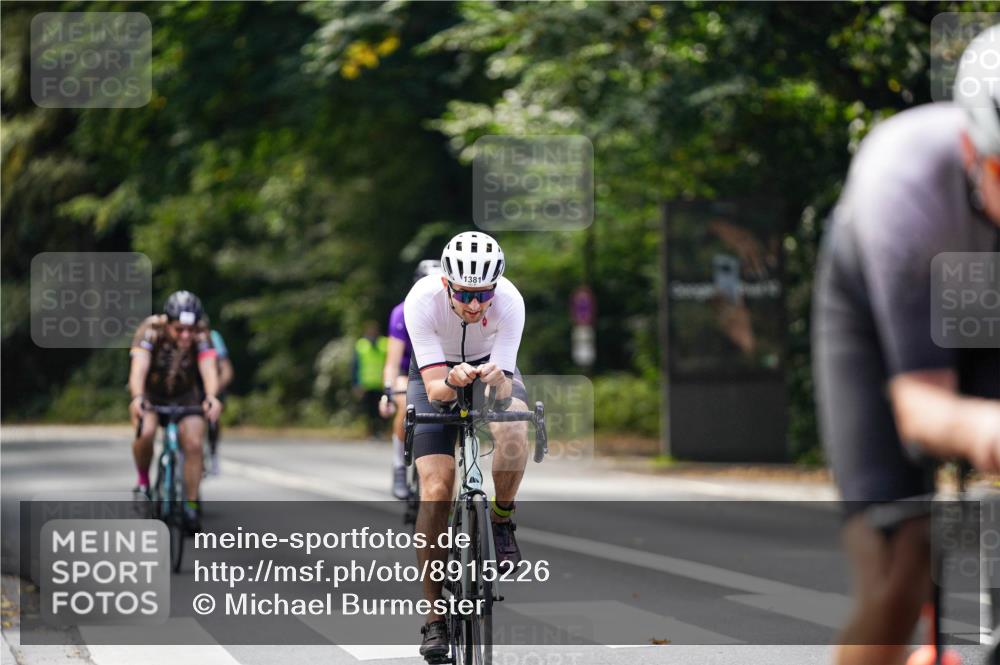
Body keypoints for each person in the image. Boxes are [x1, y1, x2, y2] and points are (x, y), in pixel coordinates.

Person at [813, 25, 1000, 665]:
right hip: (879, 311)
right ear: (975, 150)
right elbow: (920, 410)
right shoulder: (906, 182)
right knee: (902, 563)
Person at [404, 231, 530, 662]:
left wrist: (497, 383)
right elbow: (436, 386)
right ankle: (435, 619)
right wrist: (452, 380)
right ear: (446, 284)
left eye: (484, 295)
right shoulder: (421, 299)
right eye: (464, 294)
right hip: (435, 372)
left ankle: (501, 519)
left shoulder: (510, 302)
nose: (475, 306)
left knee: (514, 432)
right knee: (436, 489)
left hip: (492, 368)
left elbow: (506, 391)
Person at [128, 291, 224, 532]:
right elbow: (139, 368)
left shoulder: (202, 334)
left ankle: (190, 504)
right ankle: (142, 483)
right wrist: (138, 397)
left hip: (186, 397)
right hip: (152, 395)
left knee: (193, 443)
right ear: (167, 323)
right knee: (146, 431)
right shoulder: (150, 330)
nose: (186, 336)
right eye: (179, 329)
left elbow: (209, 367)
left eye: (190, 331)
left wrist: (212, 396)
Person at [379, 259, 443, 499]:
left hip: (438, 372)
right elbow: (392, 362)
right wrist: (387, 391)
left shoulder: (449, 310)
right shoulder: (402, 312)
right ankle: (398, 467)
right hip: (408, 373)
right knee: (407, 404)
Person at [206, 328, 234, 475]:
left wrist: (216, 389)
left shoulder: (213, 336)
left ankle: (212, 451)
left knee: (213, 416)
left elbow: (226, 369)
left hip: (213, 384)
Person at [353, 321, 388, 438]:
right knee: (369, 411)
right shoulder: (361, 345)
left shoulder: (384, 344)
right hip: (366, 384)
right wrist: (356, 384)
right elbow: (355, 366)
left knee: (381, 410)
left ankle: (380, 431)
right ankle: (371, 432)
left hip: (380, 384)